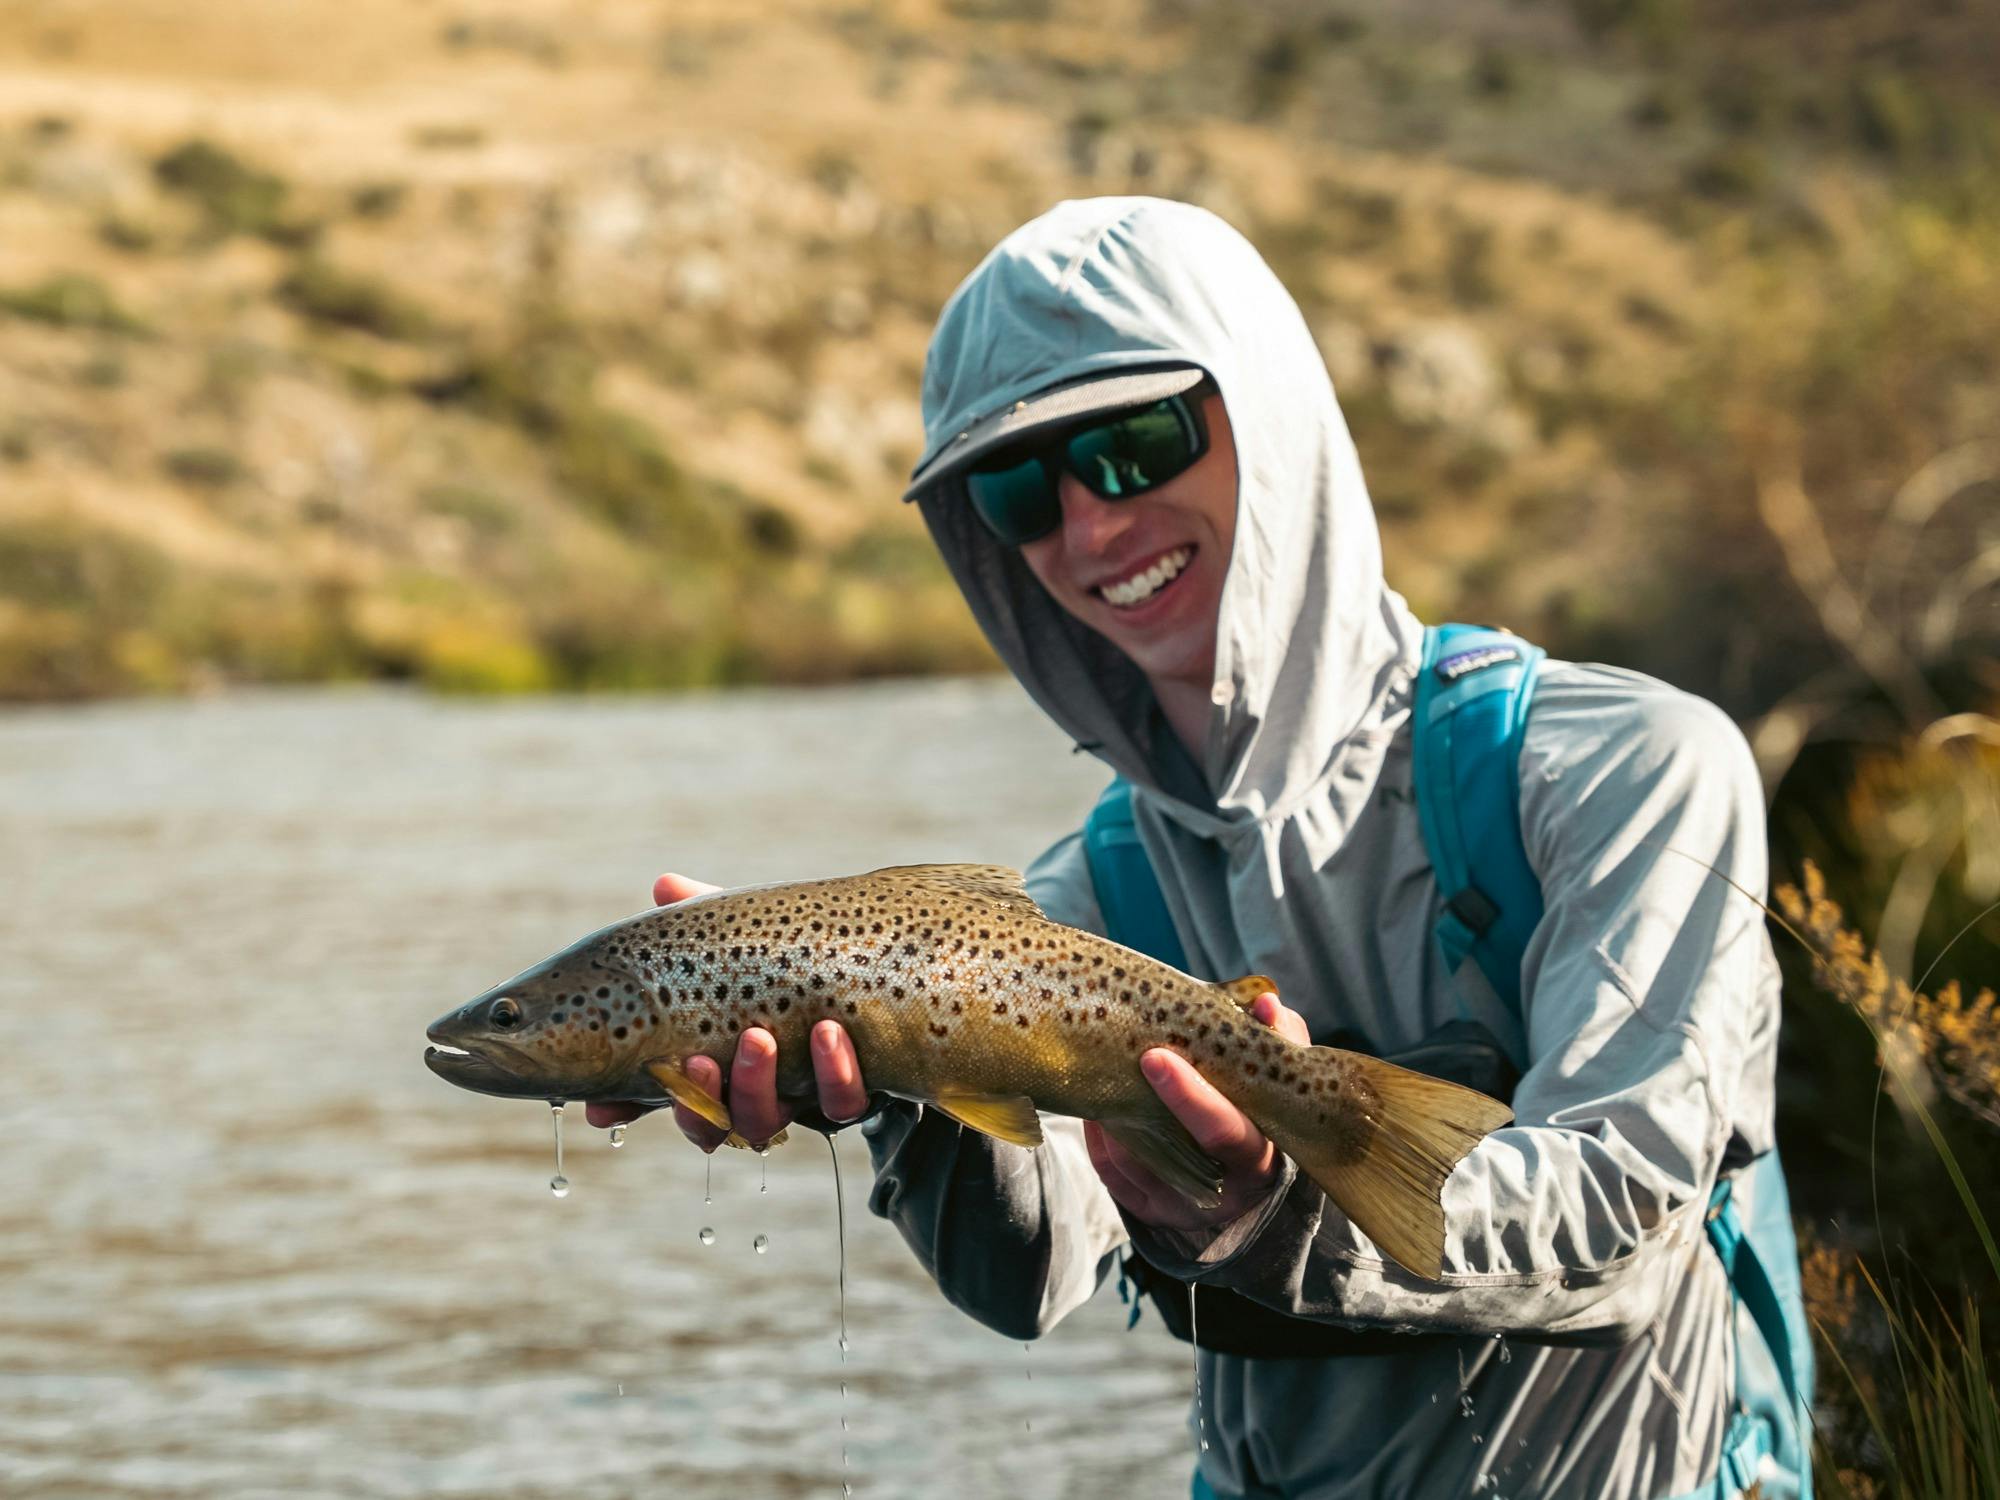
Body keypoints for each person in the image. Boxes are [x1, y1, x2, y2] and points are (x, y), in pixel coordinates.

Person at [590, 197, 1791, 1498]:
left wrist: (1282, 1211)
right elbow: (1031, 1276)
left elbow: (1624, 1219)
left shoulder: (1626, 771)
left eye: (1134, 443)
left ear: (1269, 417)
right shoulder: (1089, 899)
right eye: (1016, 490)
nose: (1091, 527)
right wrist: (897, 1089)